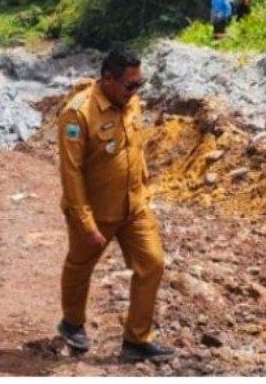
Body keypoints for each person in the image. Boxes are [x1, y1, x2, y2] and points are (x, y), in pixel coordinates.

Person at [55, 44, 176, 364]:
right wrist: (85, 221)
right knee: (80, 266)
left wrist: (145, 186)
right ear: (108, 80)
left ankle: (136, 340)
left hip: (134, 206)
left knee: (152, 263)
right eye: (130, 85)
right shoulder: (78, 113)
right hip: (95, 210)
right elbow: (71, 173)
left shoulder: (131, 102)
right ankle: (72, 323)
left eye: (140, 84)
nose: (136, 91)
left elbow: (135, 147)